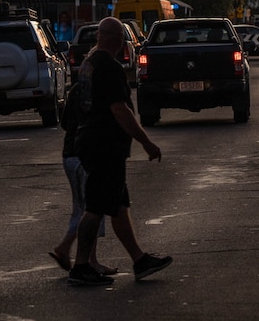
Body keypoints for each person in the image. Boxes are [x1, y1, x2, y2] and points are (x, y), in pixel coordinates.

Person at [67, 17, 171, 286]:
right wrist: (146, 142)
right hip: (104, 145)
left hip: (91, 140)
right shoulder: (109, 67)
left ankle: (139, 260)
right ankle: (81, 267)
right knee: (96, 207)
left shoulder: (88, 65)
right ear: (116, 40)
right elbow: (119, 109)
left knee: (118, 205)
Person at [48, 100, 117, 276]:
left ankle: (69, 249)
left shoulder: (78, 89)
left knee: (82, 208)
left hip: (69, 154)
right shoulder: (98, 89)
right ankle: (89, 260)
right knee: (93, 208)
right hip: (86, 154)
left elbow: (64, 123)